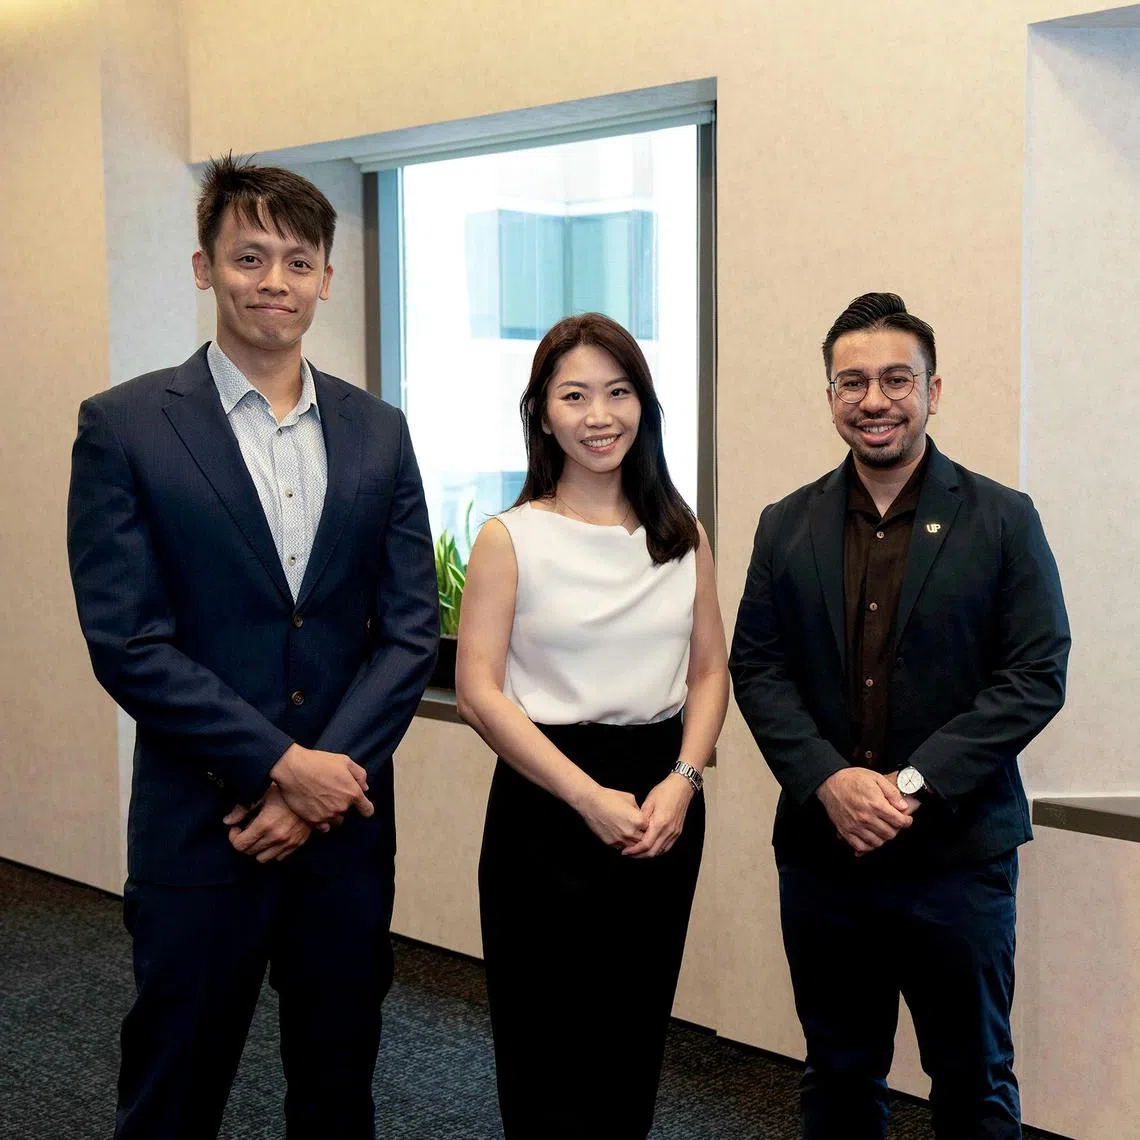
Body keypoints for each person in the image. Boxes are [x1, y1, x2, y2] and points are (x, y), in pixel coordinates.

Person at [66, 156, 438, 1139]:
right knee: (173, 1094)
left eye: (297, 261)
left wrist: (323, 783)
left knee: (337, 1091)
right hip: (201, 828)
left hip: (344, 834)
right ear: (206, 268)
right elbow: (127, 641)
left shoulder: (381, 432)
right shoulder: (124, 428)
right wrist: (280, 766)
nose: (274, 280)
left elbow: (409, 634)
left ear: (326, 279)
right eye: (249, 256)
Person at [729, 292, 1070, 1139]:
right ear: (830, 396)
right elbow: (759, 669)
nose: (874, 400)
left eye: (896, 379)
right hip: (825, 856)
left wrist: (909, 785)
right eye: (852, 382)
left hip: (957, 856)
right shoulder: (785, 524)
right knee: (838, 1077)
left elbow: (1035, 674)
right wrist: (830, 781)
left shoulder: (1003, 518)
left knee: (974, 1081)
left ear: (932, 390)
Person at [456, 312, 729, 1139]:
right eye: (574, 396)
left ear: (643, 404)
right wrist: (586, 797)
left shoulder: (681, 536)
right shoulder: (511, 537)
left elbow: (709, 672)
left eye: (618, 393)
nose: (599, 415)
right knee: (546, 1048)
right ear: (543, 414)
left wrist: (683, 781)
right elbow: (478, 692)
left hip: (661, 803)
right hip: (546, 805)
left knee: (630, 1040)